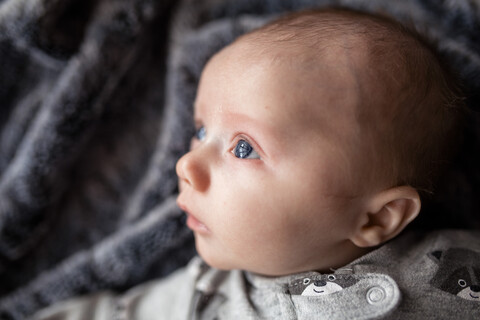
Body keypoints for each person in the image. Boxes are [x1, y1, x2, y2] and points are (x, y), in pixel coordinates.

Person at [34, 8, 479, 320]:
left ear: (378, 217)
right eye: (202, 130)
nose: (187, 163)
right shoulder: (194, 299)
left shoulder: (457, 270)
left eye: (243, 148)